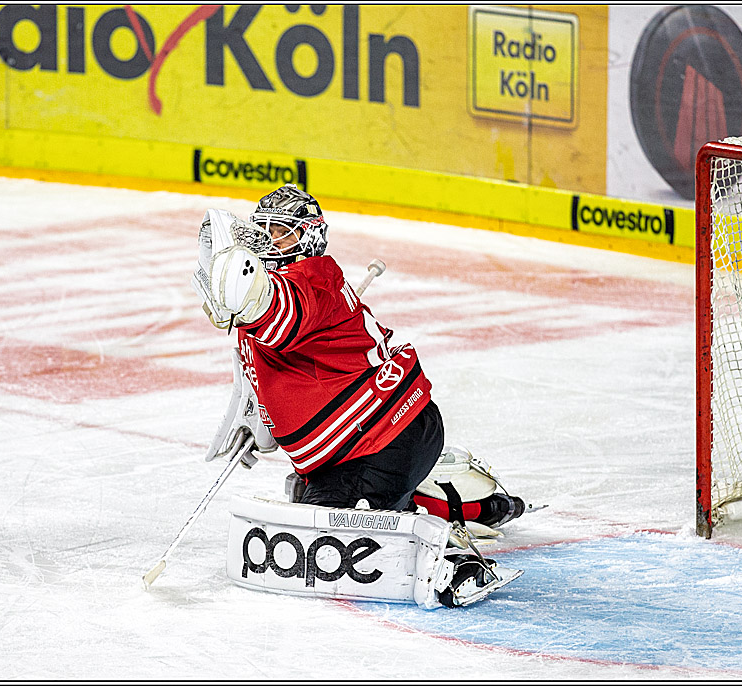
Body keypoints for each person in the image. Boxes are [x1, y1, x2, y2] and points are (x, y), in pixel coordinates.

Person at [194, 184, 525, 528]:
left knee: (326, 535)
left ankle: (452, 561)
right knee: (304, 499)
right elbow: (270, 363)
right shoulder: (278, 297)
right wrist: (262, 418)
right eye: (264, 231)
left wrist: (236, 283)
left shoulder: (308, 282)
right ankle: (477, 508)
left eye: (281, 233)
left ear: (307, 238)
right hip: (363, 445)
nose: (269, 242)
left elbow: (276, 311)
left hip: (381, 440)